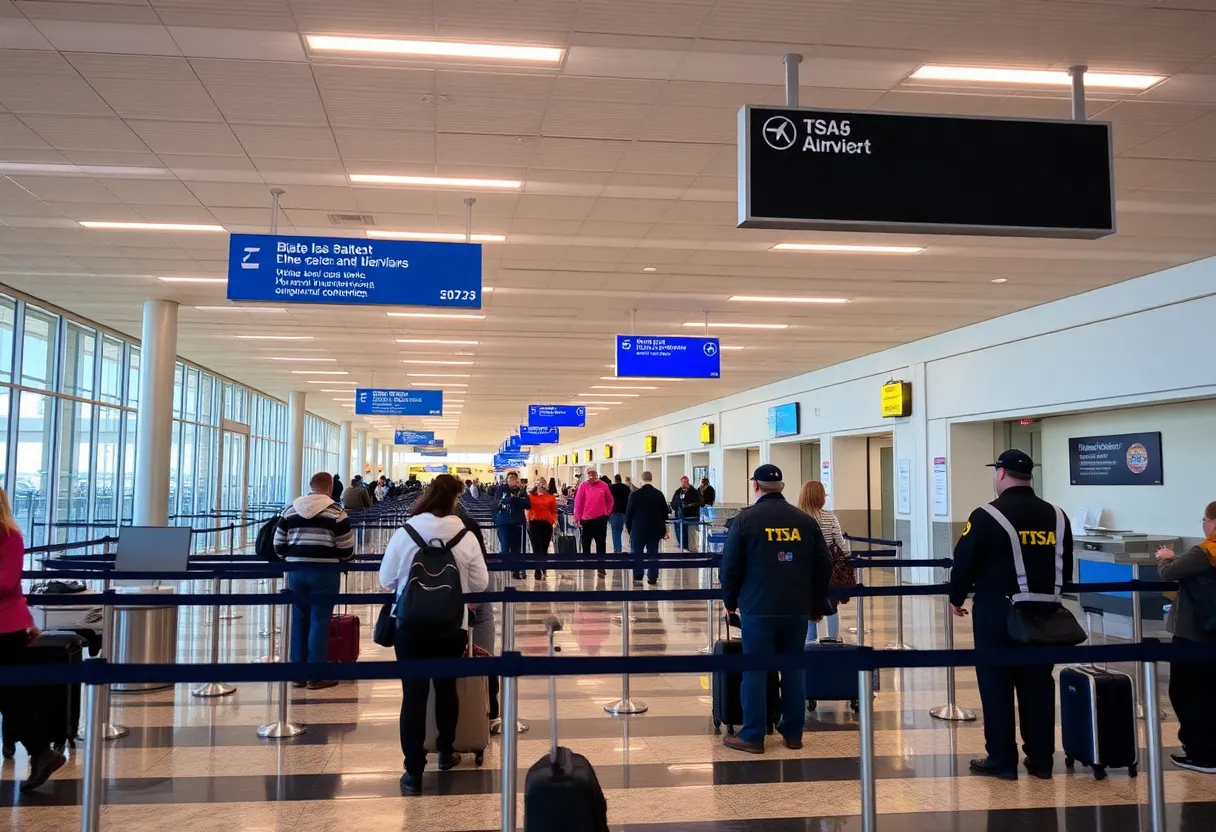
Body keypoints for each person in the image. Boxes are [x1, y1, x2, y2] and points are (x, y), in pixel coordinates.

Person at [948, 449, 1074, 781]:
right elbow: (1067, 566)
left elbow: (964, 561)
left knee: (996, 684)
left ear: (1001, 473)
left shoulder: (987, 515)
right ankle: (1041, 758)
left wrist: (956, 596)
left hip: (997, 612)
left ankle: (1002, 758)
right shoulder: (1058, 516)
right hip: (1046, 612)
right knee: (1038, 685)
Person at [379, 475, 489, 796]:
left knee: (413, 696)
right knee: (446, 690)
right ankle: (445, 752)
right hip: (451, 626)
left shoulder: (406, 531)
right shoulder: (465, 535)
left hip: (409, 626)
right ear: (455, 500)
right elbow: (480, 583)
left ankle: (413, 771)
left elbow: (386, 578)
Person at [719, 465, 832, 754]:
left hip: (758, 607)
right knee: (793, 669)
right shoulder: (804, 521)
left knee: (755, 671)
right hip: (796, 608)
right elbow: (824, 564)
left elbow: (730, 566)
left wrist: (730, 602)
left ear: (755, 485)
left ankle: (753, 734)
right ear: (781, 487)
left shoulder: (746, 520)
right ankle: (794, 732)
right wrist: (818, 604)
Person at [0, 487, 66, 792]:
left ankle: (42, 752)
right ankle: (42, 752)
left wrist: (26, 621)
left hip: (4, 629)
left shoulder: (10, 536)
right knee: (12, 698)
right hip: (9, 623)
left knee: (14, 698)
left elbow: (7, 583)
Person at [273, 471, 355, 690]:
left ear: (310, 486)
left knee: (299, 618)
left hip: (296, 571)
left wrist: (291, 557)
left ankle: (297, 673)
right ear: (330, 488)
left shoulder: (290, 509)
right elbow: (346, 548)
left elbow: (278, 544)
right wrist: (340, 559)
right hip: (325, 572)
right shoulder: (337, 512)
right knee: (320, 618)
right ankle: (315, 674)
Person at [1154, 501, 1216, 774]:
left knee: (1186, 692)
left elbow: (1170, 573)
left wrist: (1167, 557)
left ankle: (1201, 754)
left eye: (1204, 519)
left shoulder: (1206, 551)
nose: (1202, 525)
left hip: (1195, 635)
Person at [798, 480, 850, 643]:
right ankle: (832, 639)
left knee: (807, 602)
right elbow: (840, 544)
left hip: (803, 568)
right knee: (831, 604)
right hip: (827, 567)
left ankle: (810, 639)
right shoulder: (829, 517)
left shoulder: (797, 517)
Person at [625, 471, 670, 585]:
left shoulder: (634, 495)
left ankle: (638, 574)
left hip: (638, 529)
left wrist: (629, 529)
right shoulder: (659, 494)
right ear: (651, 479)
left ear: (641, 480)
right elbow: (665, 513)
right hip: (654, 530)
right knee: (653, 553)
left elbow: (629, 513)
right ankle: (652, 576)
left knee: (637, 553)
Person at [573, 467, 613, 577]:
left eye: (593, 474)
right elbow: (578, 503)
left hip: (600, 519)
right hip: (586, 520)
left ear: (597, 474)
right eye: (589, 474)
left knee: (601, 543)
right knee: (586, 544)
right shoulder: (583, 486)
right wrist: (577, 518)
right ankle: (587, 564)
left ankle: (601, 567)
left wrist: (608, 511)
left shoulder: (603, 485)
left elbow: (610, 500)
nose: (591, 476)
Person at [494, 472, 530, 580]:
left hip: (518, 522)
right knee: (505, 546)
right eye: (511, 478)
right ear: (507, 480)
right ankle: (505, 570)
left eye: (515, 478)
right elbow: (497, 502)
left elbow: (528, 504)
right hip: (504, 522)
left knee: (517, 548)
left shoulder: (521, 491)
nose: (513, 480)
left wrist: (514, 500)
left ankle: (516, 570)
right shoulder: (502, 489)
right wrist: (512, 500)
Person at [526, 480, 559, 580]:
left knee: (544, 547)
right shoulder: (530, 497)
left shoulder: (551, 497)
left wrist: (555, 521)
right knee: (536, 547)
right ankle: (537, 569)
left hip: (547, 523)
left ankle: (543, 565)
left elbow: (554, 511)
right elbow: (526, 509)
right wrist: (527, 520)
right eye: (539, 484)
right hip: (534, 522)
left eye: (543, 485)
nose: (541, 486)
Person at [670, 475, 703, 551]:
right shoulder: (678, 492)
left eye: (686, 481)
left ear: (688, 482)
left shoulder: (694, 491)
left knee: (692, 535)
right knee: (681, 532)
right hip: (680, 516)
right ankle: (683, 545)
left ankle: (692, 549)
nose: (684, 483)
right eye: (683, 482)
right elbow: (674, 502)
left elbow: (700, 502)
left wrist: (689, 505)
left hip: (692, 516)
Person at [608, 474, 632, 554]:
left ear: (615, 480)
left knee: (615, 532)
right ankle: (632, 546)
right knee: (629, 530)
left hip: (614, 511)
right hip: (625, 511)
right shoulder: (626, 488)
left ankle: (617, 549)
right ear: (621, 479)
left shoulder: (611, 488)